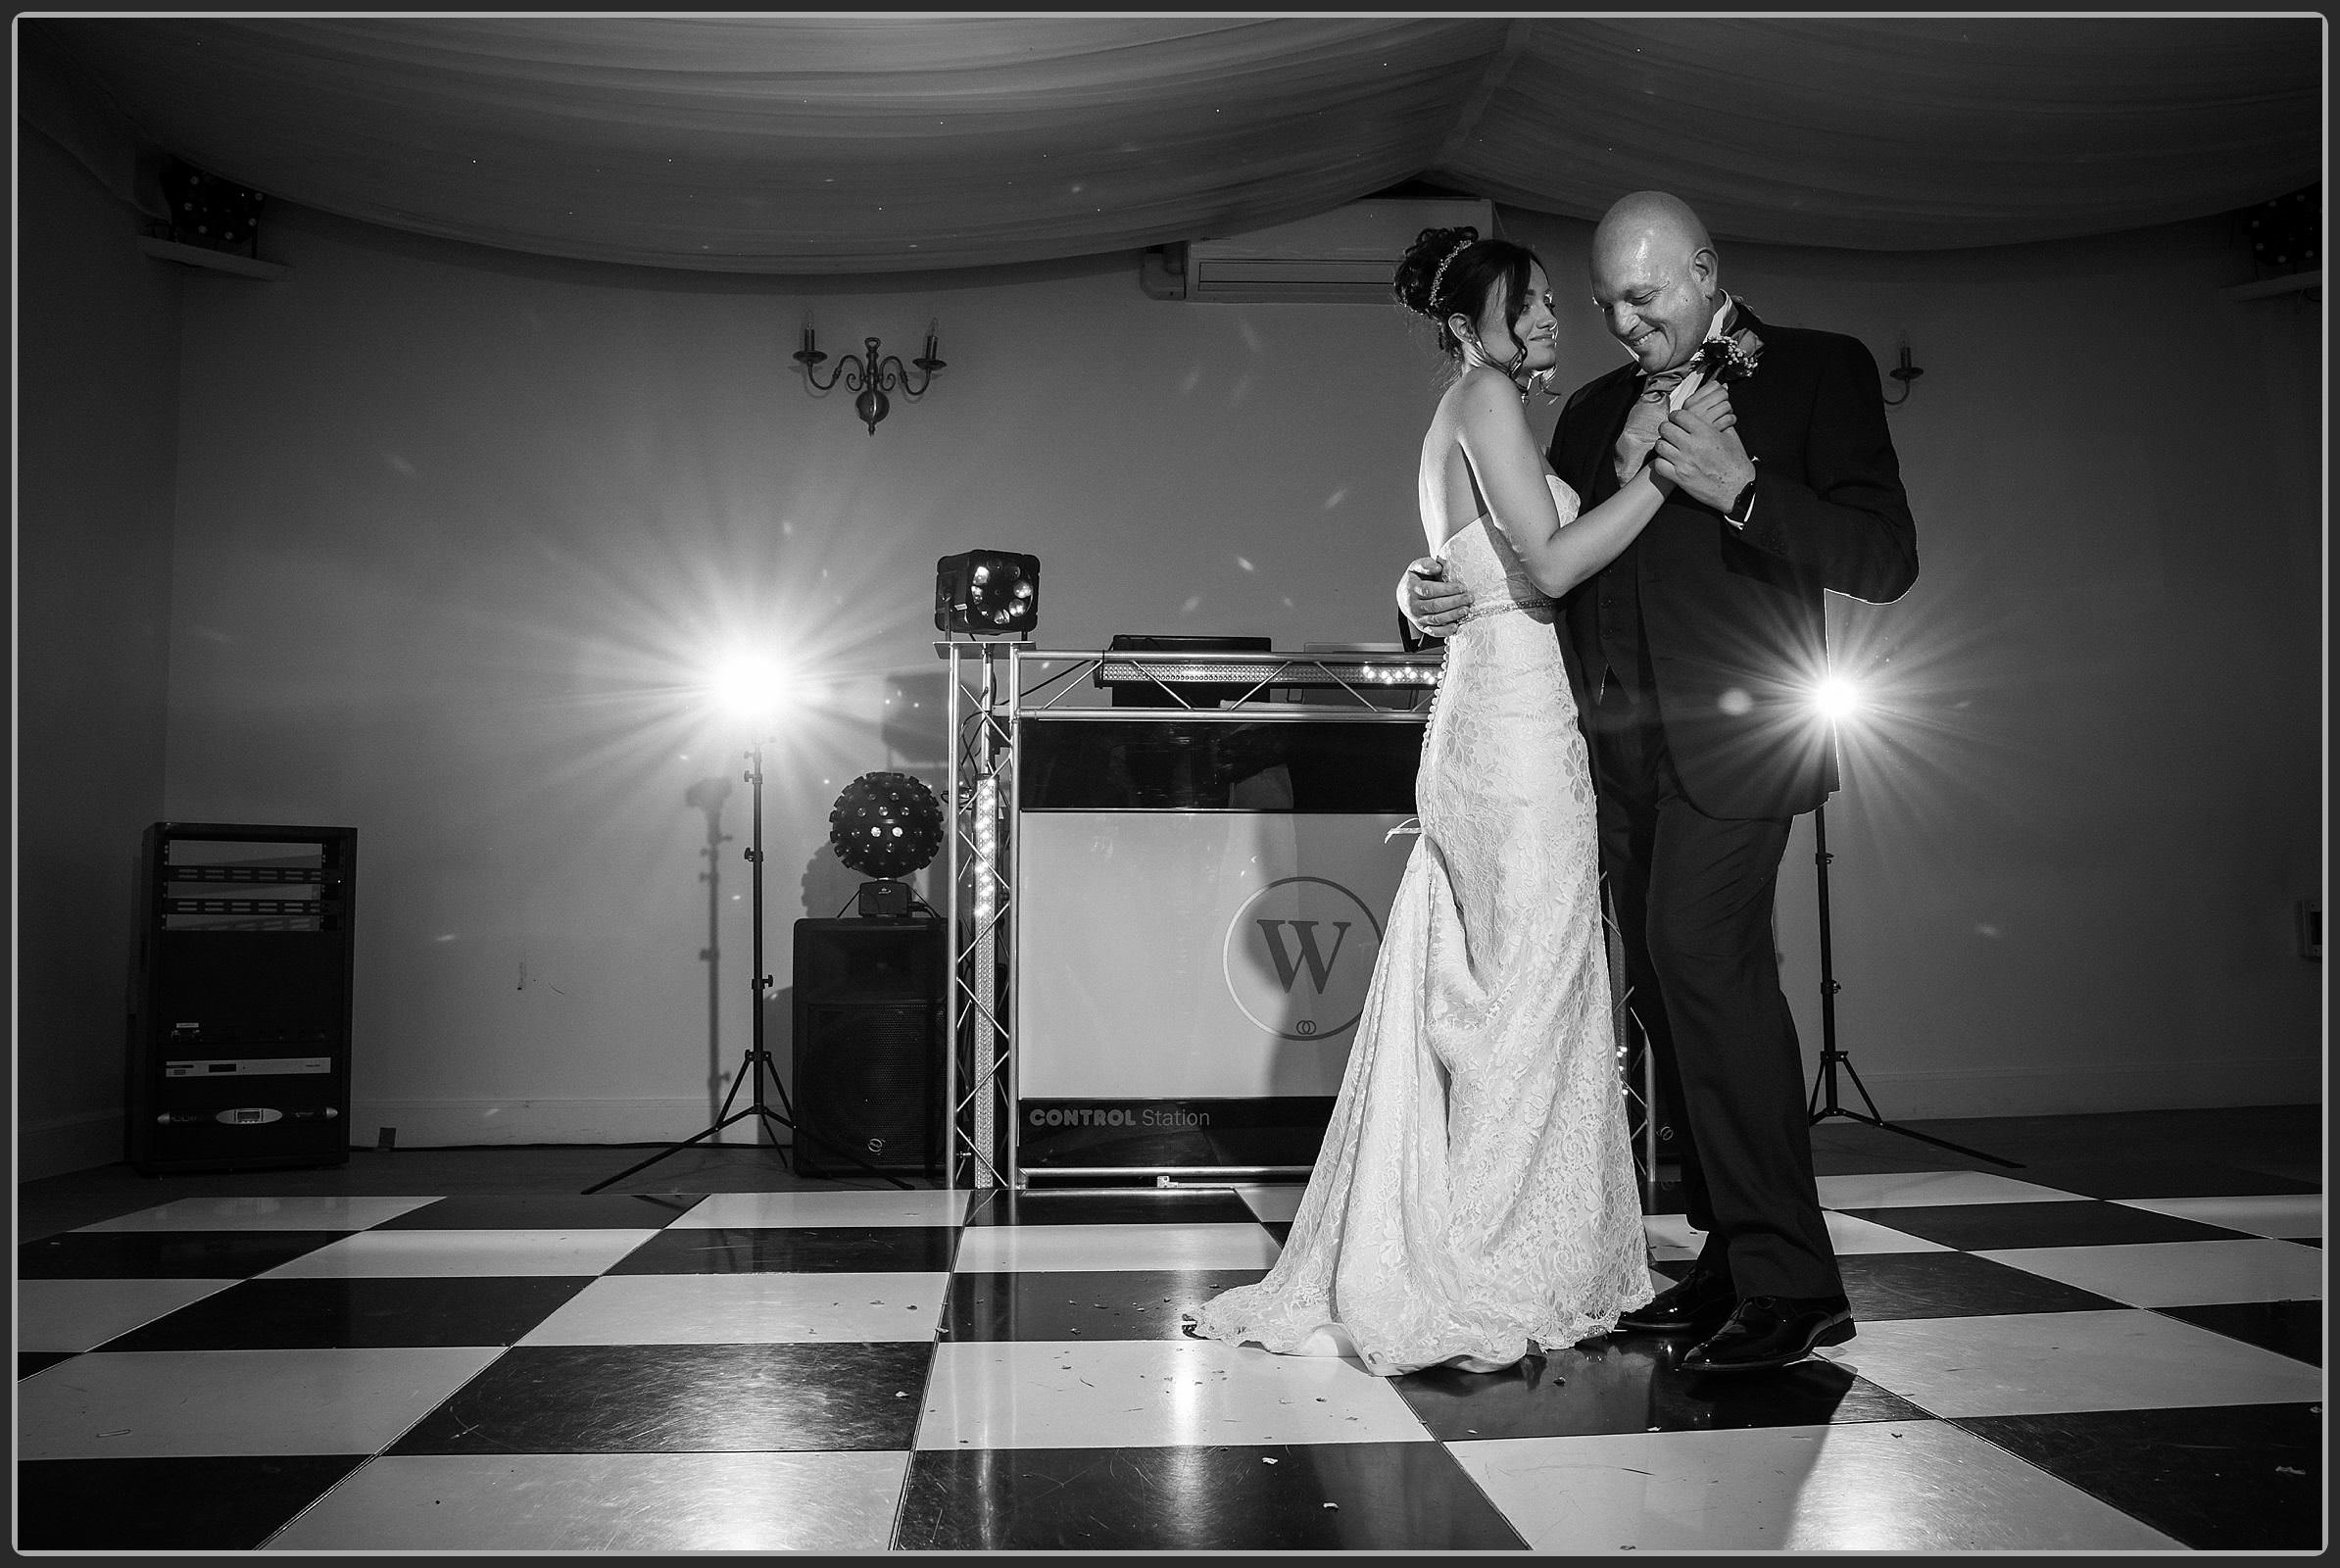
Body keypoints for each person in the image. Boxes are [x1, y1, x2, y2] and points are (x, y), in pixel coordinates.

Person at [1189, 226, 1737, 1377]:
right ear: (1464, 327)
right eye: (1528, 304)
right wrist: (1665, 478)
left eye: (1548, 302)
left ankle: (1499, 1237)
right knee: (1528, 987)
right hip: (1514, 735)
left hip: (1503, 718)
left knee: (1511, 983)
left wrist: (1634, 458)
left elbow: (1478, 558)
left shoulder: (1483, 412)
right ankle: (1494, 1258)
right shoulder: (1486, 399)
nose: (1549, 321)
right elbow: (1544, 567)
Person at [1398, 191, 1920, 1374]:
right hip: (1607, 764)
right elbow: (1531, 554)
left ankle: (1795, 1282)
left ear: (1705, 270)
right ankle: (1729, 1262)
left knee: (1701, 958)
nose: (1624, 324)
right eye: (1605, 305)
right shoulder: (1588, 411)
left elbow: (1887, 558)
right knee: (1664, 998)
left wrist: (1743, 488)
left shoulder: (1819, 372)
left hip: (1743, 746)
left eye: (1646, 297)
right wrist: (1420, 593)